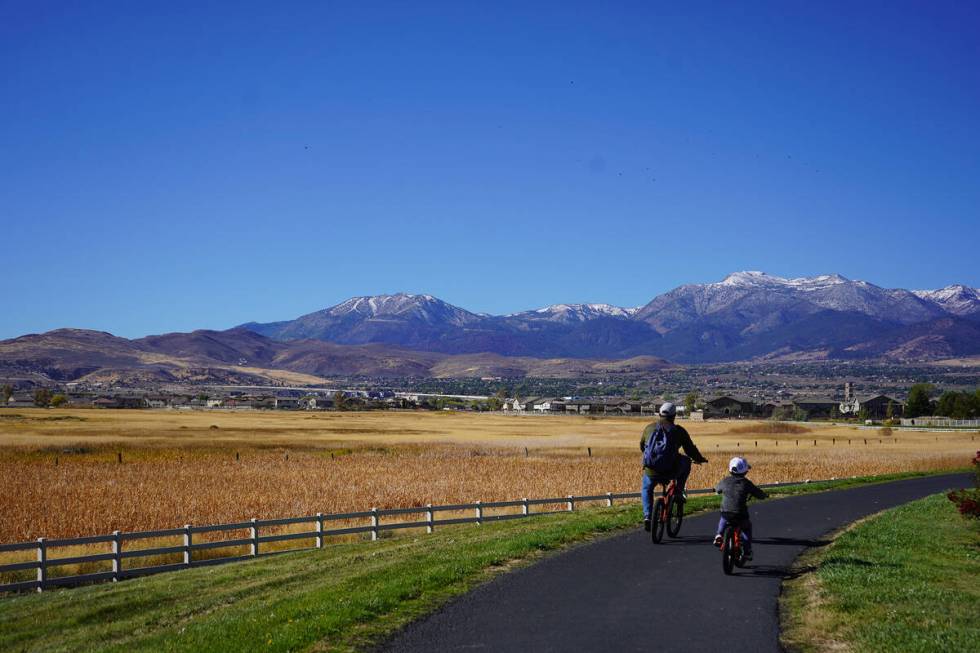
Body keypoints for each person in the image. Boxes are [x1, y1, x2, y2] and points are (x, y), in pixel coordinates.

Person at [640, 401, 708, 531]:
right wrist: (700, 459)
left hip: (652, 470)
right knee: (686, 461)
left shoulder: (649, 428)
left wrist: (653, 458)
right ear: (674, 415)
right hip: (671, 470)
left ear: (659, 414)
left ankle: (648, 516)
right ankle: (678, 491)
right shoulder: (679, 431)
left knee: (646, 489)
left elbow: (642, 446)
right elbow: (690, 450)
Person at [713, 457, 767, 560]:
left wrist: (717, 490)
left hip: (726, 511)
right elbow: (759, 494)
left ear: (730, 469)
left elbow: (717, 489)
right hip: (740, 513)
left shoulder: (725, 481)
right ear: (745, 471)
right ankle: (747, 551)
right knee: (746, 528)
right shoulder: (746, 483)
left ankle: (719, 535)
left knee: (723, 518)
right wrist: (764, 495)